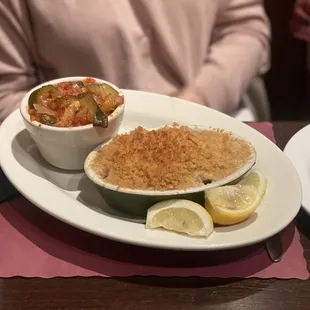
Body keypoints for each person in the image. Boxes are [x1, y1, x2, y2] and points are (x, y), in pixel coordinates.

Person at [0, 0, 270, 121]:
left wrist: (200, 97)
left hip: (210, 114)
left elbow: (245, 28)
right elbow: (7, 94)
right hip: (80, 152)